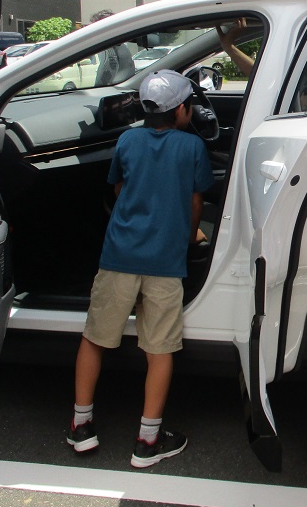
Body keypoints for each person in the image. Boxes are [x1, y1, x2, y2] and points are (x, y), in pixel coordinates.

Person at [68, 69, 213, 468]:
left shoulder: (127, 140)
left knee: (95, 337)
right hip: (165, 263)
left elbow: (117, 188)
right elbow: (195, 202)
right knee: (159, 349)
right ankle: (147, 440)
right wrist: (188, 237)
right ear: (181, 109)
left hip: (119, 256)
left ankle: (82, 426)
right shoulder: (192, 148)